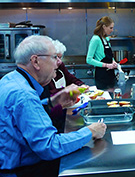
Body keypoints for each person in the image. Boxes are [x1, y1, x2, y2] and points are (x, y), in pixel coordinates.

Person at [0, 35, 107, 176]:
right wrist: (90, 132)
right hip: (20, 172)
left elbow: (23, 114)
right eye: (54, 57)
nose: (58, 63)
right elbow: (49, 146)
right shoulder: (24, 95)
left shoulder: (10, 79)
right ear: (36, 61)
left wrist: (53, 102)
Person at [86, 16, 118, 90]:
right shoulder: (95, 39)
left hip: (111, 75)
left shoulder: (106, 39)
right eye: (110, 28)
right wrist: (106, 65)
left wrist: (113, 62)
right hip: (101, 75)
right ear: (104, 27)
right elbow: (89, 59)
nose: (112, 30)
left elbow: (109, 56)